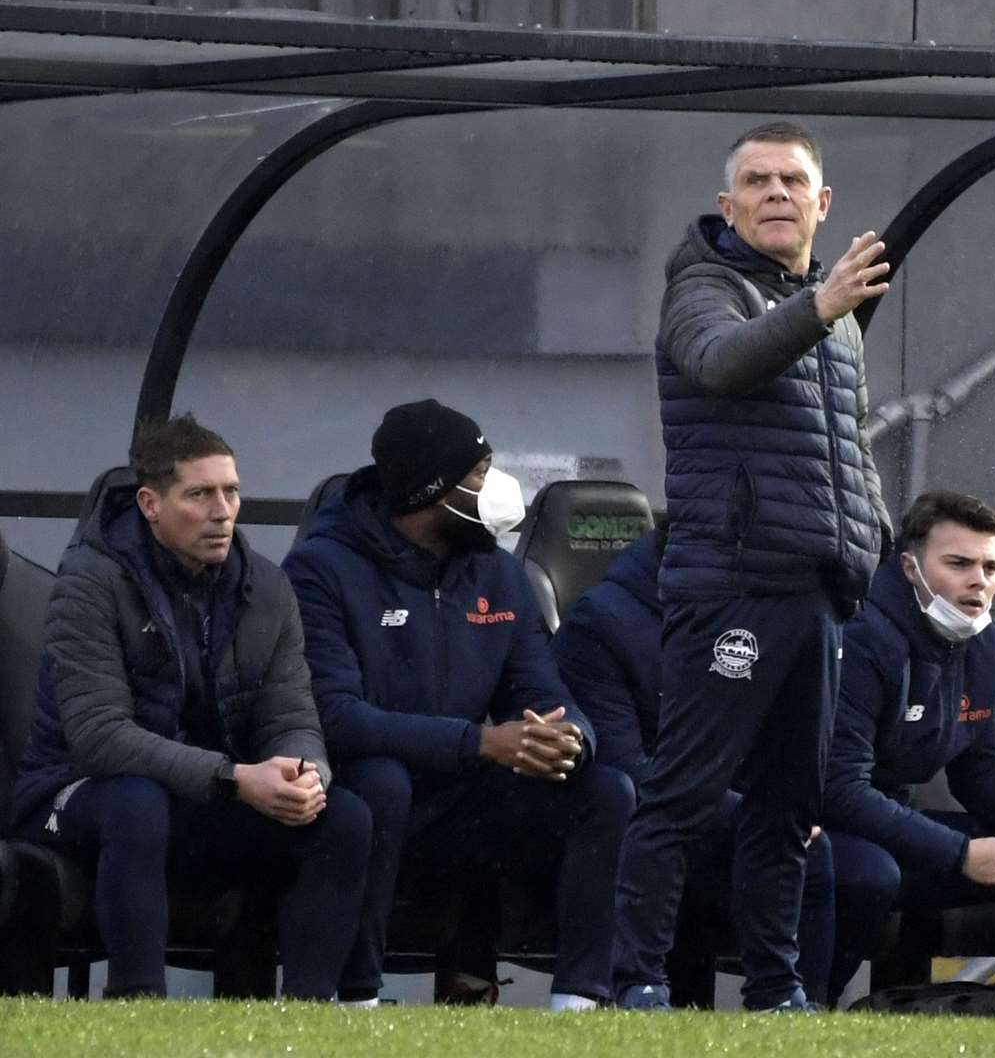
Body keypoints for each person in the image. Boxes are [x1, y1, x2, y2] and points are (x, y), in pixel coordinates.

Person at [611, 120, 894, 1011]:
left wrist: (872, 535)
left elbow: (846, 446)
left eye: (791, 179)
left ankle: (776, 993)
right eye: (757, 181)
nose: (776, 192)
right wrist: (819, 309)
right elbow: (723, 365)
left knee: (789, 813)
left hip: (816, 591)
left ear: (823, 202)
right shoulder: (704, 288)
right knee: (681, 797)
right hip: (730, 583)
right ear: (726, 205)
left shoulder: (829, 311)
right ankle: (636, 985)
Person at [282, 399, 633, 1010]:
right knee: (382, 783)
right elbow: (335, 716)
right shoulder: (322, 569)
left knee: (604, 791)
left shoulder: (497, 573)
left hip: (466, 798)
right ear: (431, 489)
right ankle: (357, 997)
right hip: (367, 787)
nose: (495, 488)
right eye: (479, 473)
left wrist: (568, 737)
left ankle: (581, 1002)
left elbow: (542, 689)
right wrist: (479, 742)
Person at [10, 415, 370, 1000]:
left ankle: (312, 1015)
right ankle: (138, 1005)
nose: (222, 511)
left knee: (342, 817)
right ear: (151, 504)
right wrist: (233, 777)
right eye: (199, 494)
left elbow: (292, 716)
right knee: (135, 801)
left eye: (231, 492)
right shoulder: (90, 581)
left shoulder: (267, 588)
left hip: (208, 792)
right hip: (71, 792)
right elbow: (99, 738)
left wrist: (305, 774)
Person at [822, 491, 995, 1001]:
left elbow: (986, 764)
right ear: (910, 568)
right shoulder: (863, 639)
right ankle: (801, 1012)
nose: (980, 581)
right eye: (958, 564)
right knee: (871, 874)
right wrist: (957, 853)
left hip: (896, 832)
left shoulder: (985, 646)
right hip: (816, 831)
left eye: (990, 567)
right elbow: (838, 790)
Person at [549, 525, 837, 1004]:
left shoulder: (763, 614)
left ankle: (797, 1005)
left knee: (810, 845)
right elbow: (624, 764)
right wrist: (747, 810)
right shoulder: (602, 621)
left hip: (722, 806)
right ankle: (640, 991)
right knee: (667, 824)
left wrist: (774, 805)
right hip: (645, 810)